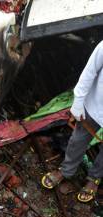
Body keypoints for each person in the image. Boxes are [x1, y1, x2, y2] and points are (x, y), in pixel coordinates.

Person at [41, 40, 103, 203]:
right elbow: (90, 71)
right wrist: (78, 100)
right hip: (94, 106)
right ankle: (66, 170)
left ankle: (94, 179)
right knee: (78, 140)